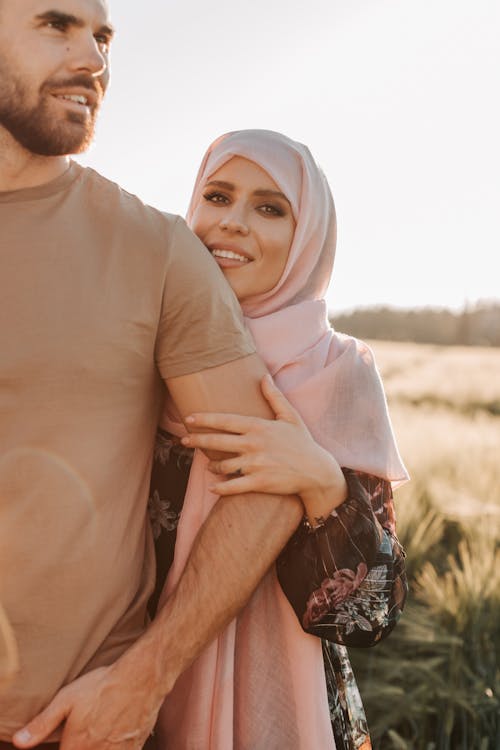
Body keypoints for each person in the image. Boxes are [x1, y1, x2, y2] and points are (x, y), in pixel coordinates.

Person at [0, 2, 323, 749]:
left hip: (61, 729)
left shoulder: (154, 249)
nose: (94, 59)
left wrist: (144, 676)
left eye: (103, 36)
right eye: (57, 24)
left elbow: (267, 485)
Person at [148, 130, 409, 749]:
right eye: (216, 197)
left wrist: (321, 482)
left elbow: (371, 616)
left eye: (269, 208)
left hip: (282, 712)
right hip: (121, 685)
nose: (232, 223)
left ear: (307, 238)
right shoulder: (139, 350)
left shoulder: (337, 374)